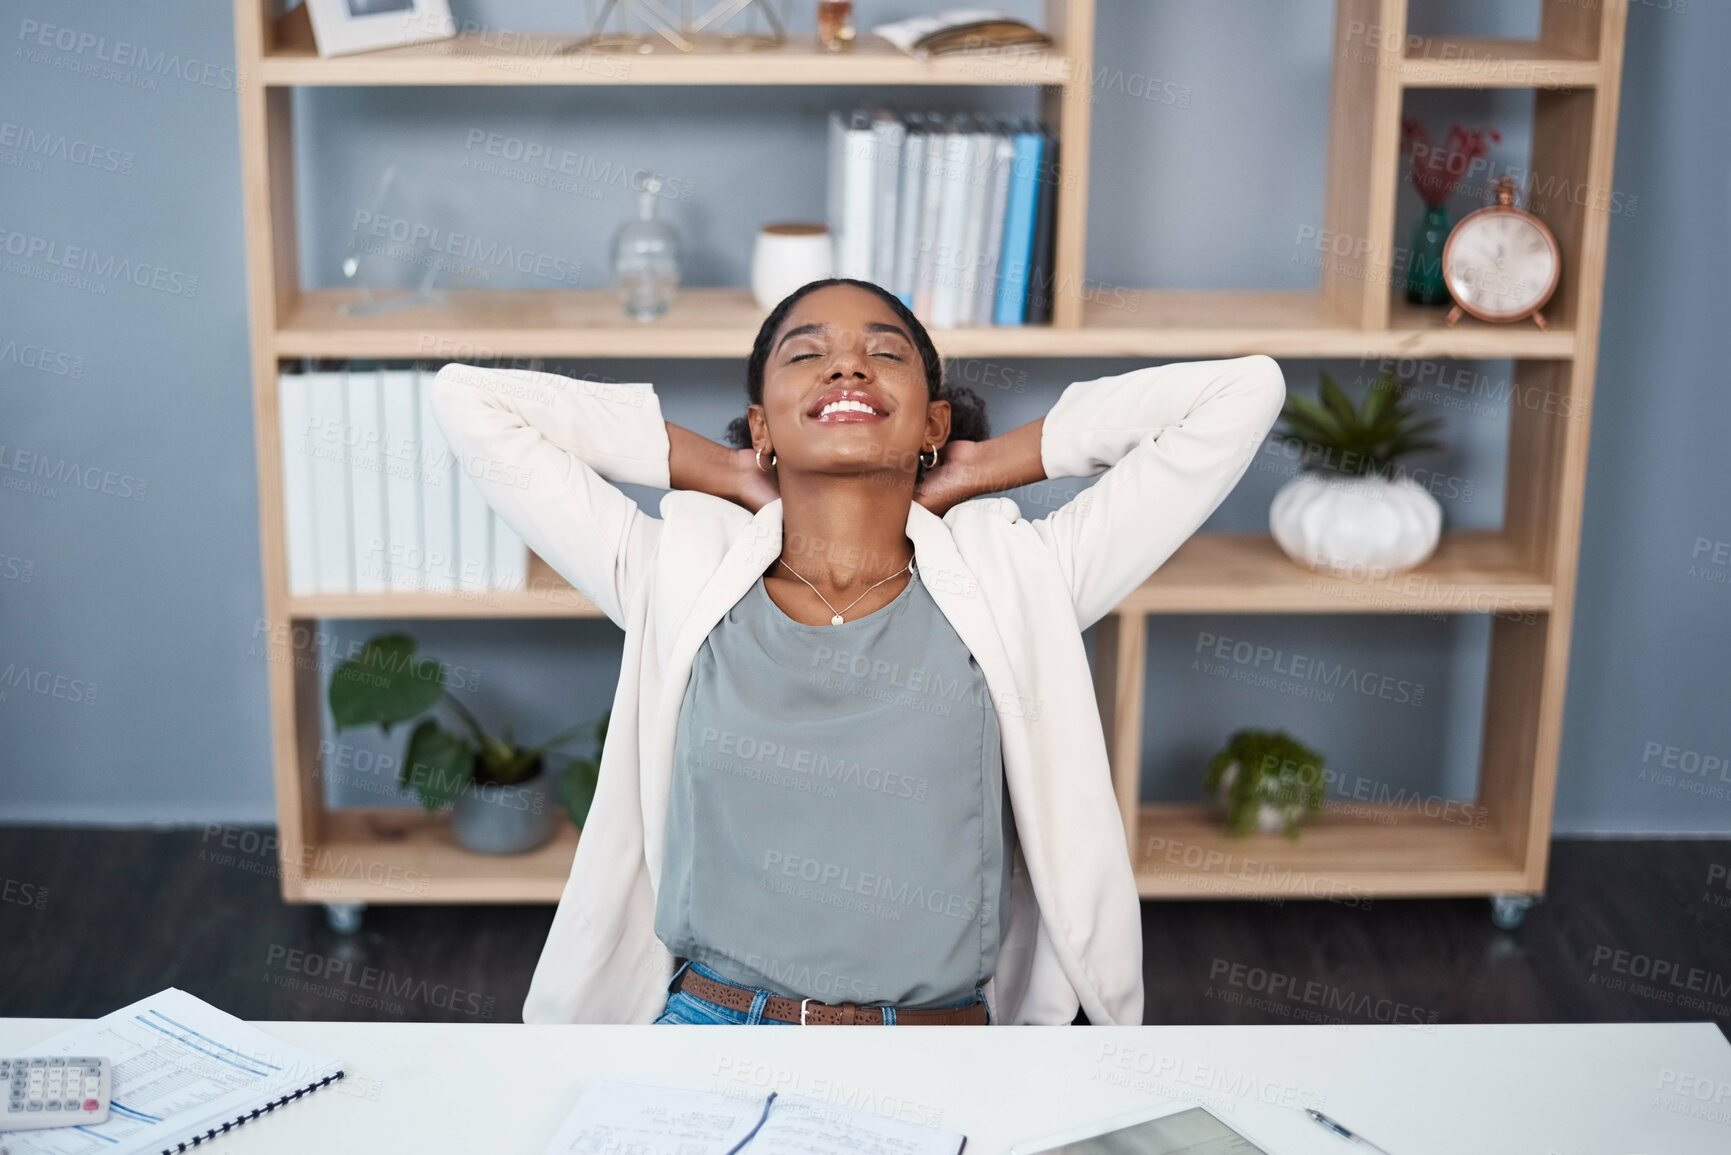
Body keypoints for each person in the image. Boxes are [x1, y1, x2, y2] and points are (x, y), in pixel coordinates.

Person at [432, 277, 1285, 1025]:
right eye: (807, 354)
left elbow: (1242, 391)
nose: (846, 366)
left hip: (942, 1044)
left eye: (884, 353)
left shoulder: (1024, 576)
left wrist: (989, 463)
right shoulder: (674, 570)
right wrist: (720, 469)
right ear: (762, 424)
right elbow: (471, 400)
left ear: (933, 420)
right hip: (710, 1030)